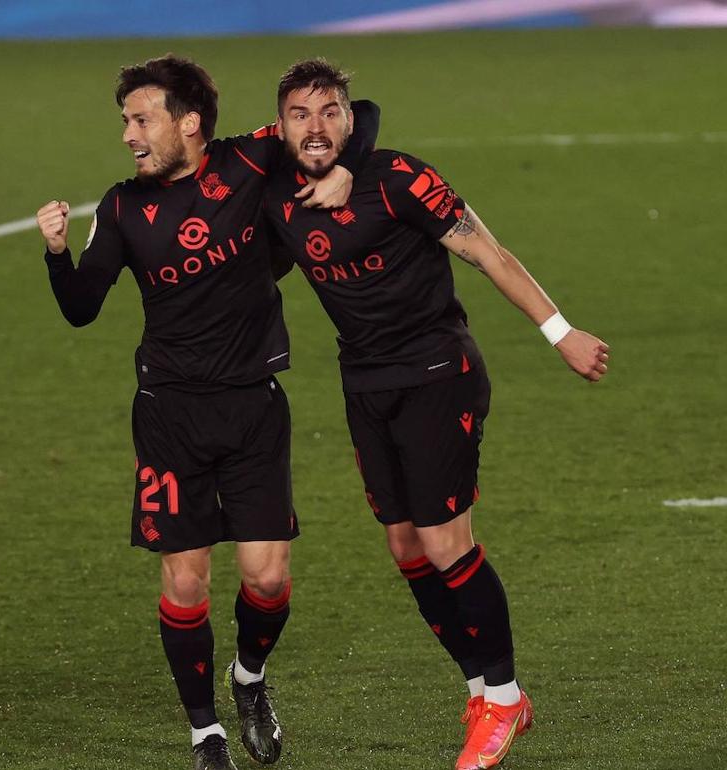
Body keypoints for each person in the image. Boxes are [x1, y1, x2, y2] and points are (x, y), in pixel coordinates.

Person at [260, 59, 609, 770]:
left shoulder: (399, 179)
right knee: (407, 548)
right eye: (301, 114)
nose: (315, 126)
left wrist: (561, 332)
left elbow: (490, 254)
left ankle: (505, 700)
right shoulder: (274, 185)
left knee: (447, 543)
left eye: (330, 111)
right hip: (364, 384)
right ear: (281, 124)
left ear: (350, 118)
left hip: (438, 375)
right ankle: (482, 691)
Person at [36, 55, 378, 770]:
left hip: (253, 405)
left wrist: (346, 169)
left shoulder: (248, 161)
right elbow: (80, 308)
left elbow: (358, 118)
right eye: (125, 121)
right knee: (186, 581)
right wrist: (58, 253)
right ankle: (205, 734)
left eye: (141, 119)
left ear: (188, 123)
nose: (128, 134)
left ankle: (248, 678)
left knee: (267, 580)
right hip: (170, 414)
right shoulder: (122, 207)